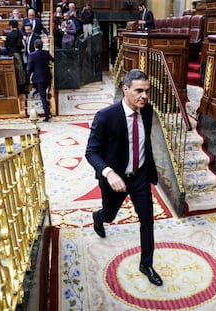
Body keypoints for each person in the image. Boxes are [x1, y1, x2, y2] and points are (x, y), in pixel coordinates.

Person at [85, 69, 163, 287]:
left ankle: (146, 264)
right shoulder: (105, 116)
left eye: (147, 91)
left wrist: (148, 169)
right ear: (125, 89)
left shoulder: (146, 112)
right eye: (139, 91)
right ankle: (98, 218)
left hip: (139, 176)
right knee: (110, 215)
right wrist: (109, 173)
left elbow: (143, 142)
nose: (144, 96)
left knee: (147, 221)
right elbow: (91, 152)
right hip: (114, 178)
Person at [26, 38, 54, 121]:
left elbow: (29, 68)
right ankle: (36, 91)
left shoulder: (32, 55)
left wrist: (28, 78)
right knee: (42, 93)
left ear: (34, 46)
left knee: (43, 97)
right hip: (47, 77)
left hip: (39, 78)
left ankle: (47, 114)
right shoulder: (46, 53)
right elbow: (52, 60)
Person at [5, 20, 28, 94]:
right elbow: (20, 44)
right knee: (20, 71)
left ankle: (16, 89)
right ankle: (22, 89)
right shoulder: (19, 34)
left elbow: (6, 45)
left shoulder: (9, 35)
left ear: (11, 26)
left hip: (11, 54)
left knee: (14, 71)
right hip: (18, 54)